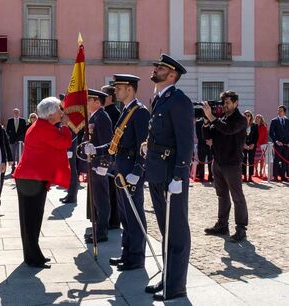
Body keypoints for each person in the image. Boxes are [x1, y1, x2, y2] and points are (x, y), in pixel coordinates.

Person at [86, 74, 150, 272]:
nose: (116, 91)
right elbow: (115, 143)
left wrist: (138, 171)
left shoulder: (139, 112)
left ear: (129, 89)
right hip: (121, 169)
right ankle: (127, 253)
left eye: (119, 87)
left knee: (134, 214)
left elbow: (143, 145)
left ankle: (137, 257)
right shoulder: (126, 111)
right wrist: (97, 150)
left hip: (131, 170)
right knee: (124, 215)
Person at [144, 54, 193, 301]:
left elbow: (186, 143)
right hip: (156, 172)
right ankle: (167, 278)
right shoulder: (160, 100)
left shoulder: (178, 101)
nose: (155, 69)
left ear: (172, 75)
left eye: (160, 67)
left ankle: (176, 286)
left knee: (177, 232)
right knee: (165, 231)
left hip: (171, 175)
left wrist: (179, 176)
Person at [13, 97, 71, 269]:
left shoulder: (41, 126)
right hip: (31, 179)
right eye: (60, 110)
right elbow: (64, 142)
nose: (62, 113)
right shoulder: (44, 128)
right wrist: (66, 126)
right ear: (52, 113)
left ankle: (33, 254)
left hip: (30, 178)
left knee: (31, 219)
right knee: (31, 219)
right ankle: (33, 257)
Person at [203, 90, 249, 243]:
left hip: (232, 163)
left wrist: (212, 118)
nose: (225, 106)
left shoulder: (241, 119)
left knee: (237, 197)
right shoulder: (221, 118)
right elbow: (209, 135)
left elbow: (228, 130)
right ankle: (222, 225)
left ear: (236, 103)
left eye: (228, 103)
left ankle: (241, 228)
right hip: (218, 162)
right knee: (221, 195)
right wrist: (205, 123)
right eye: (224, 103)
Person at [83, 89, 113, 244]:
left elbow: (108, 143)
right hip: (92, 163)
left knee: (101, 199)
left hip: (99, 164)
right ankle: (97, 229)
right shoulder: (93, 117)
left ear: (97, 101)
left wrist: (103, 165)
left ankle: (102, 232)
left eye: (89, 99)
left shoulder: (102, 117)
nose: (86, 102)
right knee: (96, 199)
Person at [101, 84, 121, 229]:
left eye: (102, 96)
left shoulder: (113, 113)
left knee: (111, 191)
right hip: (108, 155)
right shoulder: (107, 111)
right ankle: (111, 219)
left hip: (111, 156)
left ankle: (113, 220)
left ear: (108, 97)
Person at [0, 112, 13, 204]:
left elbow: (6, 145)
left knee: (0, 179)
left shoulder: (1, 129)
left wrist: (10, 158)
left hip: (1, 159)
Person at [269, 105, 289, 182]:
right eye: (278, 110)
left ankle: (283, 176)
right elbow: (271, 133)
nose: (279, 112)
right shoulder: (274, 121)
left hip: (286, 145)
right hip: (278, 144)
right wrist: (276, 141)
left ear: (284, 112)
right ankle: (275, 176)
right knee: (276, 160)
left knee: (285, 160)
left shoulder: (287, 121)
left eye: (280, 110)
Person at [6, 108, 27, 173]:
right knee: (13, 154)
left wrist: (20, 138)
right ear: (13, 113)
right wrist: (11, 136)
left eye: (17, 112)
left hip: (20, 141)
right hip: (12, 140)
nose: (16, 113)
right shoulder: (10, 120)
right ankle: (13, 168)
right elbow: (7, 130)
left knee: (19, 155)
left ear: (19, 113)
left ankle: (19, 167)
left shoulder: (22, 120)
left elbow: (24, 131)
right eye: (15, 112)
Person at [195, 117, 214, 182]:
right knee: (201, 161)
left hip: (211, 144)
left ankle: (210, 176)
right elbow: (198, 134)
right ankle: (201, 176)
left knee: (210, 160)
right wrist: (206, 140)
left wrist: (211, 141)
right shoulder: (198, 122)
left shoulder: (212, 120)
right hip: (202, 144)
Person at [242, 110, 259, 182]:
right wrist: (243, 144)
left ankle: (250, 176)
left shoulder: (255, 125)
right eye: (246, 115)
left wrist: (253, 144)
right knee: (244, 160)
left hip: (252, 145)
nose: (247, 117)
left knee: (251, 160)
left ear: (251, 117)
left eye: (249, 115)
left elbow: (256, 136)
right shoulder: (241, 125)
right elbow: (239, 135)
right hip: (243, 145)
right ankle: (245, 176)